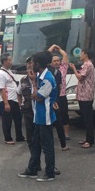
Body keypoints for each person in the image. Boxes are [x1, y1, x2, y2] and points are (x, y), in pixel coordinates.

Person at [19, 51, 57, 182]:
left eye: (33, 62)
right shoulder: (41, 76)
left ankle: (50, 172)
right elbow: (33, 95)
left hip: (45, 116)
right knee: (35, 143)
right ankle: (32, 169)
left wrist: (34, 84)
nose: (32, 65)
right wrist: (34, 82)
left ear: (38, 64)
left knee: (47, 145)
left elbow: (37, 97)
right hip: (38, 116)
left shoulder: (47, 79)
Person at [70, 49, 95, 149]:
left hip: (86, 95)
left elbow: (80, 77)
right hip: (83, 95)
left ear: (86, 54)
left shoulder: (88, 65)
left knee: (88, 118)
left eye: (81, 53)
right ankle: (87, 138)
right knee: (85, 118)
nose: (80, 55)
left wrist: (73, 69)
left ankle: (90, 140)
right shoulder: (86, 64)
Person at [0, 53, 24, 144]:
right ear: (4, 61)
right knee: (7, 120)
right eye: (9, 60)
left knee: (18, 118)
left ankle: (19, 136)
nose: (11, 62)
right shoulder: (1, 74)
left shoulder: (8, 71)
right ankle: (8, 138)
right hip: (8, 99)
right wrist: (6, 103)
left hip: (14, 98)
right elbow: (1, 89)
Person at [49, 44, 71, 142]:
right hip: (52, 97)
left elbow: (65, 56)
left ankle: (66, 134)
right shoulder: (48, 70)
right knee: (52, 116)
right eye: (54, 61)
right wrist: (52, 47)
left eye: (58, 60)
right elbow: (45, 55)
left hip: (62, 95)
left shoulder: (63, 68)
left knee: (64, 115)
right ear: (51, 62)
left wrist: (59, 49)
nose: (57, 62)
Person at [18, 57, 35, 149]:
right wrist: (20, 104)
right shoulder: (23, 80)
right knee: (29, 129)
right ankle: (31, 145)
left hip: (38, 108)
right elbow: (18, 93)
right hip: (27, 108)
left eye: (32, 63)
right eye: (28, 63)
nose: (30, 65)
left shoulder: (39, 78)